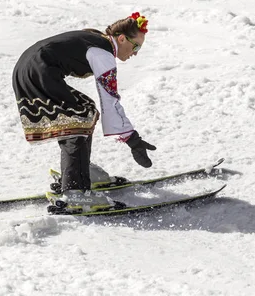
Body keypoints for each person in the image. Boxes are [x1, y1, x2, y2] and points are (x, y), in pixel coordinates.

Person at [12, 12, 156, 212]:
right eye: (136, 46)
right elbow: (110, 101)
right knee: (78, 117)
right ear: (121, 38)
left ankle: (79, 170)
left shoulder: (98, 41)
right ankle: (75, 190)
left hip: (29, 67)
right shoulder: (103, 54)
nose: (136, 53)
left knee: (83, 111)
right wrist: (132, 139)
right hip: (36, 70)